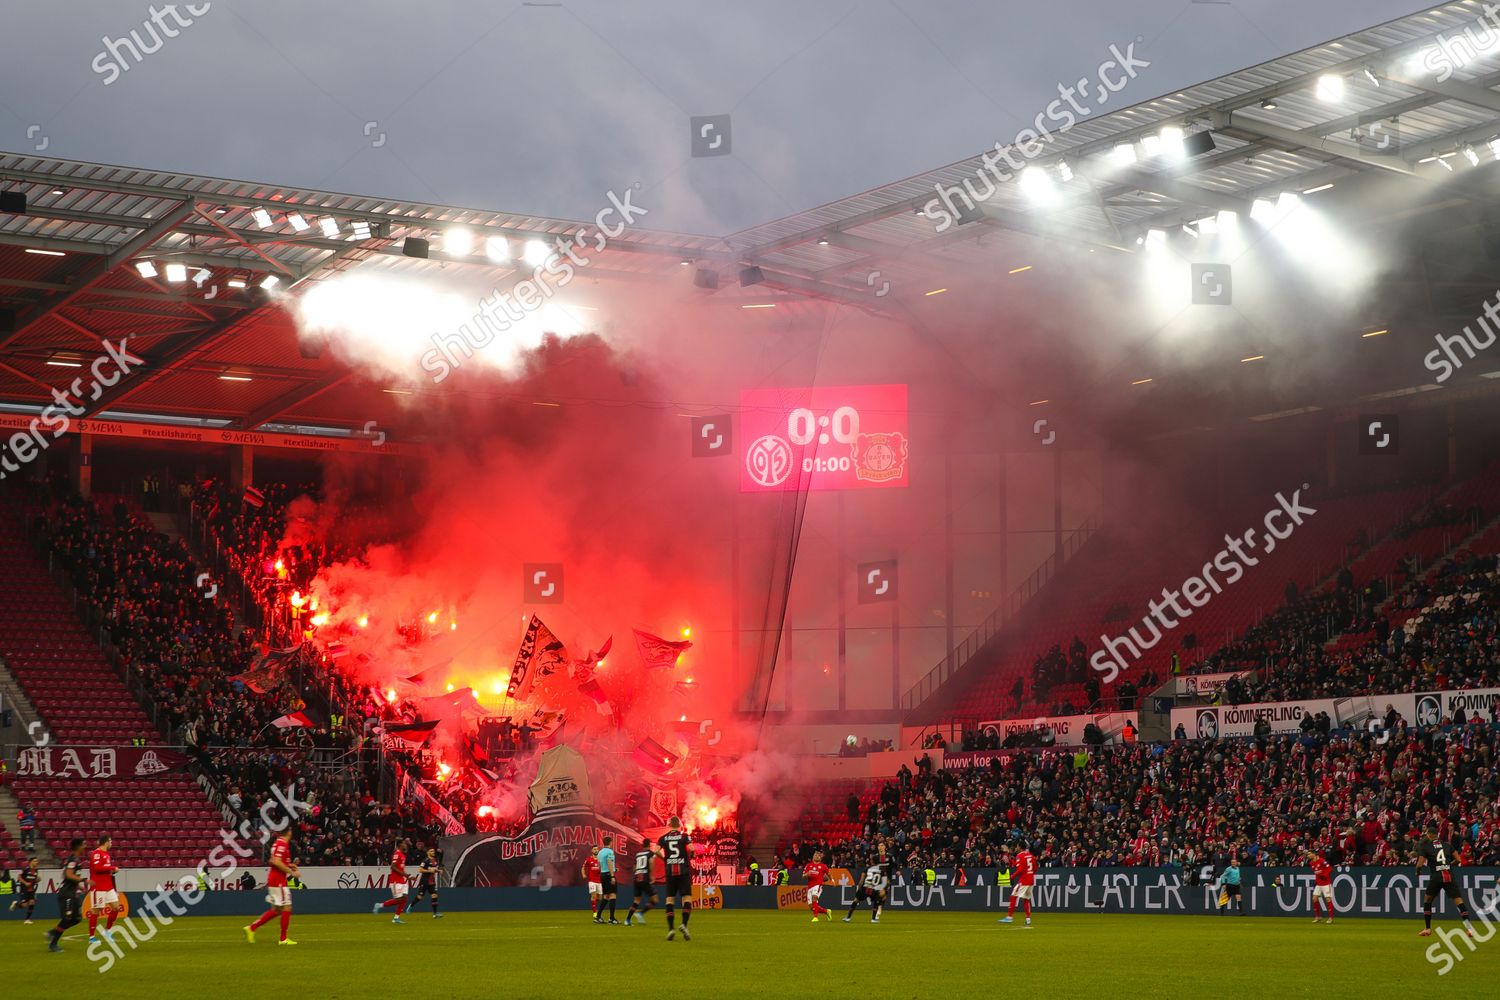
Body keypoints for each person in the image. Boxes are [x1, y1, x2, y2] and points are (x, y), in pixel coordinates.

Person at [1415, 826, 1476, 939]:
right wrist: (1447, 866)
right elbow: (1458, 860)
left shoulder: (1426, 846)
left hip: (1436, 877)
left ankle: (1427, 928)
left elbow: (1420, 863)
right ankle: (1469, 929)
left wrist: (1417, 871)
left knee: (1427, 900)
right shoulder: (1447, 845)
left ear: (1429, 835)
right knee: (1459, 901)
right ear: (1437, 835)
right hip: (1448, 875)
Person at [243, 827, 298, 945]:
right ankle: (283, 939)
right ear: (289, 832)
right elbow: (276, 861)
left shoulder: (278, 843)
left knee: (277, 909)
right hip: (278, 880)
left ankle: (252, 928)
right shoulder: (282, 843)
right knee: (287, 907)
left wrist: (290, 865)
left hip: (275, 879)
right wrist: (290, 871)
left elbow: (276, 860)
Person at [46, 839, 86, 952]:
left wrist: (80, 886)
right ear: (78, 846)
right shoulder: (72, 859)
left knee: (77, 919)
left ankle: (53, 932)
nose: (85, 846)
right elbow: (68, 875)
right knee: (67, 918)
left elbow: (70, 876)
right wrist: (83, 880)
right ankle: (53, 945)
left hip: (73, 893)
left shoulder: (76, 860)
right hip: (67, 893)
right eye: (83, 844)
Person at [659, 816, 695, 941]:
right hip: (683, 871)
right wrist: (691, 855)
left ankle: (671, 929)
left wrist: (664, 859)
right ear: (679, 825)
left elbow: (655, 850)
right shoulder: (684, 836)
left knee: (670, 900)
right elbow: (691, 849)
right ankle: (684, 925)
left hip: (670, 872)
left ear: (669, 825)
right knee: (687, 898)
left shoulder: (663, 838)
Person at [86, 833, 120, 944]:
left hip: (108, 887)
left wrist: (114, 888)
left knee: (116, 907)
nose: (111, 843)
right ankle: (91, 937)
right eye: (110, 841)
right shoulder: (96, 853)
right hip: (98, 887)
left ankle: (107, 931)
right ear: (106, 842)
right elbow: (97, 868)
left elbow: (108, 873)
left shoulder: (107, 854)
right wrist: (112, 867)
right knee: (96, 911)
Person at [843, 849, 889, 923]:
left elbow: (862, 879)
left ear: (872, 861)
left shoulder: (867, 868)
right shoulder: (882, 870)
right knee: (876, 903)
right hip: (874, 889)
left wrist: (859, 887)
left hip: (865, 887)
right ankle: (873, 919)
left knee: (855, 900)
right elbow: (885, 882)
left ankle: (848, 917)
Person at [372, 837, 411, 924]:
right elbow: (393, 866)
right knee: (399, 899)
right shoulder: (397, 853)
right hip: (395, 880)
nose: (406, 845)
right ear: (400, 845)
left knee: (404, 898)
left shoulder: (403, 854)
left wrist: (407, 876)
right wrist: (404, 874)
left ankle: (396, 918)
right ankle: (380, 905)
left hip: (402, 880)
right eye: (404, 843)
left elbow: (401, 868)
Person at [999, 839, 1036, 926]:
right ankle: (1028, 919)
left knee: (1013, 896)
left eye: (1017, 846)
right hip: (1031, 880)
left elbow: (1020, 870)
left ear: (1020, 847)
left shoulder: (1020, 856)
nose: (1016, 847)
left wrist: (1012, 876)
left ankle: (1009, 917)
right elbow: (1035, 868)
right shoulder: (1030, 855)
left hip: (1024, 880)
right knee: (1026, 899)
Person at [625, 839, 659, 926]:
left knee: (636, 900)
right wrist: (652, 876)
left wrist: (637, 873)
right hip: (645, 878)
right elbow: (651, 863)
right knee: (655, 900)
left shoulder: (638, 854)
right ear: (650, 845)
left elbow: (634, 867)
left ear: (642, 845)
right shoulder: (650, 853)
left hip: (637, 877)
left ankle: (627, 920)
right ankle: (640, 914)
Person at [409, 847, 444, 919]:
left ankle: (435, 914)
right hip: (424, 881)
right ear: (428, 852)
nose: (433, 852)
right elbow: (420, 870)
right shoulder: (425, 860)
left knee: (434, 895)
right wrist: (430, 871)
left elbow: (433, 869)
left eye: (433, 851)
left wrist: (438, 871)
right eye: (431, 851)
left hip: (432, 881)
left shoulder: (434, 860)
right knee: (420, 896)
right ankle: (410, 906)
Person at [803, 850, 831, 923]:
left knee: (814, 898)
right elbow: (803, 876)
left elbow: (827, 877)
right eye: (815, 855)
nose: (816, 856)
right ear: (813, 857)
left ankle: (815, 917)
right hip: (810, 886)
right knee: (811, 907)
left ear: (820, 858)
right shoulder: (808, 865)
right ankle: (826, 911)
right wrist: (807, 874)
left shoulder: (823, 866)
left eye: (818, 855)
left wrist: (822, 878)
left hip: (818, 885)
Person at [597, 835, 620, 925]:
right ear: (610, 842)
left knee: (606, 896)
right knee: (613, 895)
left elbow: (600, 865)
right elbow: (609, 862)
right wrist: (612, 876)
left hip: (602, 874)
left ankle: (598, 916)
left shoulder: (600, 852)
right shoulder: (610, 851)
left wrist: (614, 869)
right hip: (608, 875)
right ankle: (612, 918)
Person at [1308, 850, 1334, 923]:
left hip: (1326, 883)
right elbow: (1316, 873)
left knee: (1328, 899)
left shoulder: (1322, 860)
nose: (1308, 856)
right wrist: (1316, 882)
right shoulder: (1311, 863)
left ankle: (1330, 918)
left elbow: (1330, 868)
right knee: (1314, 898)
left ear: (1314, 854)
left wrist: (1324, 875)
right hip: (1318, 884)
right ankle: (1317, 917)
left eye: (1309, 854)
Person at [10, 857, 39, 924]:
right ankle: (16, 904)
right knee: (24, 905)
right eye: (35, 861)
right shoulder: (26, 869)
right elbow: (19, 877)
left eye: (37, 861)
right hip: (24, 890)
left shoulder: (36, 871)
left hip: (31, 890)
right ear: (31, 862)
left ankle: (27, 919)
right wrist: (25, 883)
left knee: (32, 902)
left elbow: (34, 879)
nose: (37, 862)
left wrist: (37, 879)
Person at [583, 846, 603, 921]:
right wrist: (583, 874)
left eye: (597, 849)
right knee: (594, 896)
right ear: (592, 850)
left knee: (600, 898)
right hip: (591, 881)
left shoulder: (600, 860)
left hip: (599, 881)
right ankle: (595, 914)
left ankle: (593, 902)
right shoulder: (588, 859)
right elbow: (583, 867)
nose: (596, 850)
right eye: (594, 849)